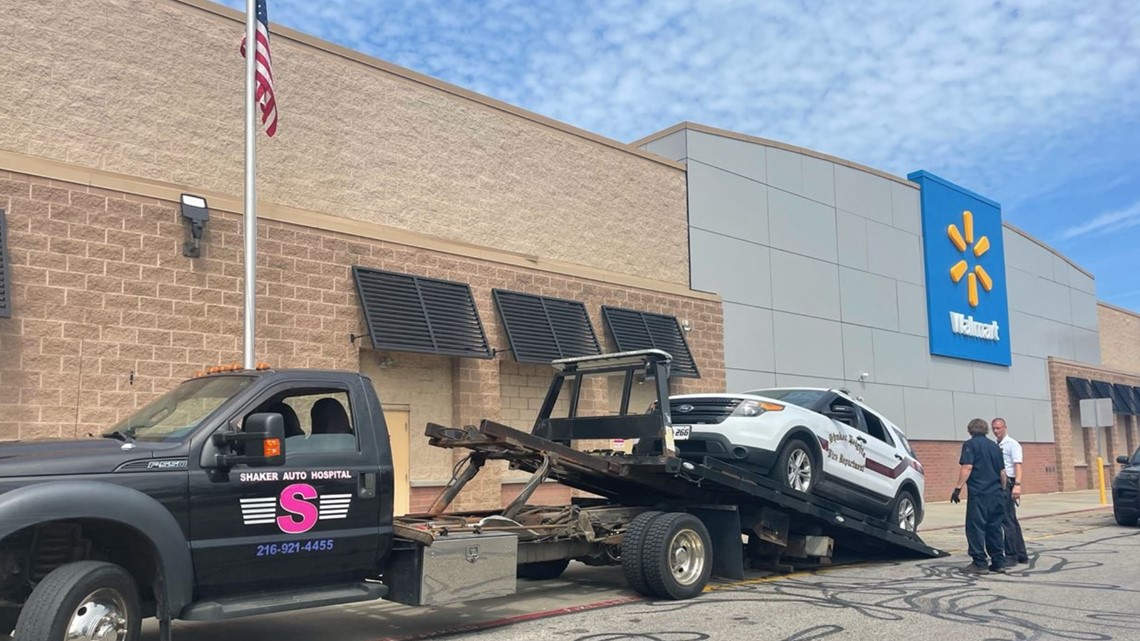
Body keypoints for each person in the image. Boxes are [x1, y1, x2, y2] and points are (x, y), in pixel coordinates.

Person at [950, 418, 1007, 574]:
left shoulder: (970, 445)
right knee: (994, 528)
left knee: (976, 527)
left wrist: (957, 488)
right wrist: (1002, 490)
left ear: (970, 430)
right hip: (996, 493)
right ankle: (998, 561)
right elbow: (1003, 472)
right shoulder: (995, 447)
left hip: (979, 494)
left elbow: (967, 467)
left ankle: (979, 562)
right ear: (986, 430)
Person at [992, 417, 1029, 564]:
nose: (996, 431)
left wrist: (1017, 485)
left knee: (1007, 520)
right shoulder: (996, 445)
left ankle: (1011, 555)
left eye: (998, 428)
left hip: (1009, 483)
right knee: (1012, 520)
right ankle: (1021, 554)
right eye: (994, 428)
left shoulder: (1012, 444)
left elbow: (1018, 465)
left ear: (1005, 428)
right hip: (1001, 482)